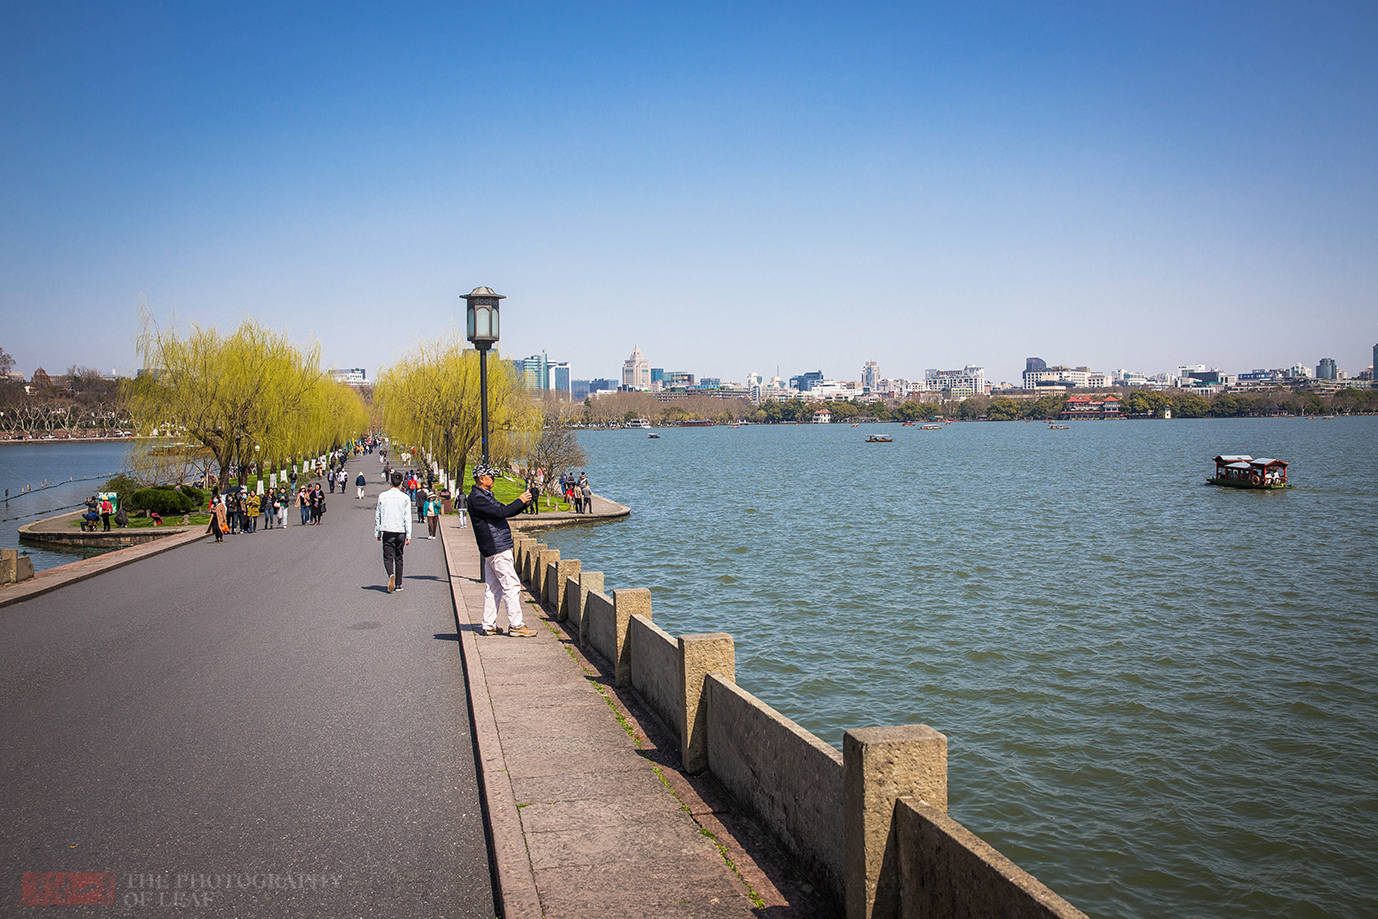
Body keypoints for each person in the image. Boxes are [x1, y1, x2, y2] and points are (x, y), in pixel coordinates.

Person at [468, 464, 536, 637]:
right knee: (511, 584)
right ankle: (516, 625)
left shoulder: (483, 496)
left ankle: (489, 624)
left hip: (492, 547)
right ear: (482, 479)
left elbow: (505, 510)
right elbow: (501, 512)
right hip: (496, 547)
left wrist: (524, 503)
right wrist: (520, 500)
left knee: (494, 587)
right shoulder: (478, 498)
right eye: (491, 476)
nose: (494, 479)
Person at [375, 470, 412, 593]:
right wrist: (409, 535)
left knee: (387, 557)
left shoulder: (382, 496)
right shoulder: (405, 498)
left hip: (387, 530)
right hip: (400, 531)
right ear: (401, 483)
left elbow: (378, 516)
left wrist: (378, 532)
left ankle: (391, 574)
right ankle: (399, 584)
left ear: (390, 481)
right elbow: (407, 517)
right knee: (399, 557)